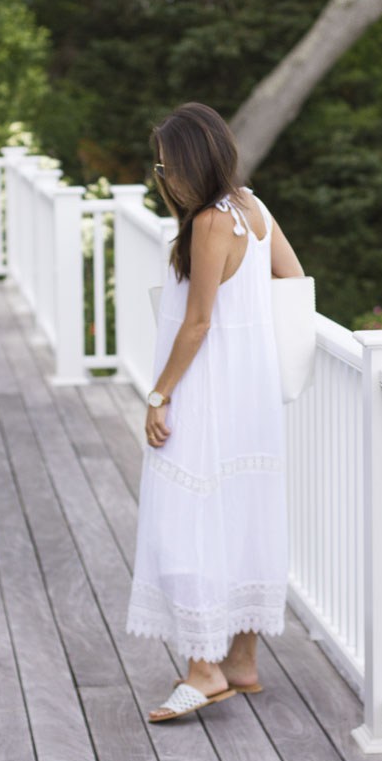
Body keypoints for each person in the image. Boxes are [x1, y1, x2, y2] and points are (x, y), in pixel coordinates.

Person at [125, 102, 305, 722]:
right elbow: (292, 277)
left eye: (165, 166)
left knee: (183, 523)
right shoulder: (251, 208)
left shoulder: (208, 224)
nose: (163, 177)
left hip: (203, 394)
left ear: (189, 164)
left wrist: (159, 392)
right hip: (248, 397)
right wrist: (247, 334)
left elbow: (198, 322)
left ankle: (204, 671)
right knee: (242, 511)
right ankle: (242, 663)